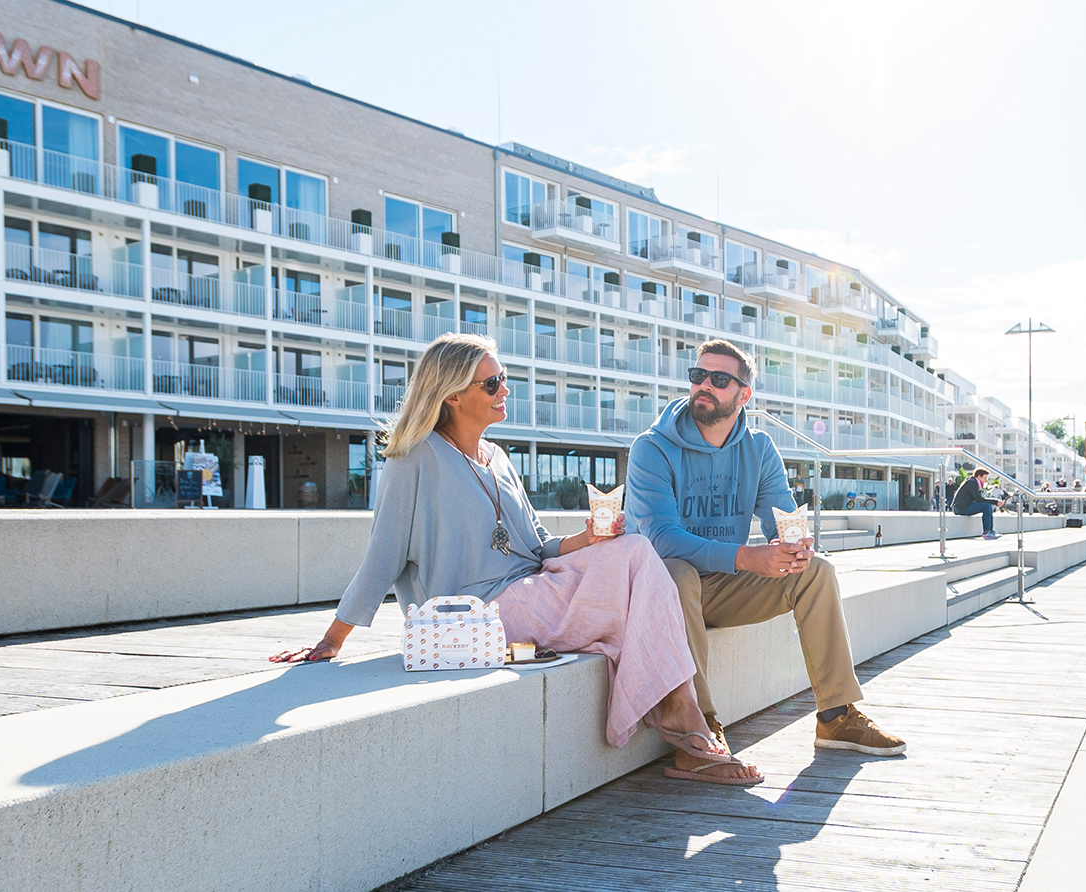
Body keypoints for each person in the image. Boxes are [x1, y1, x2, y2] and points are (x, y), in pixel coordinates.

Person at [272, 334, 760, 785]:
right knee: (637, 562)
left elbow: (539, 545)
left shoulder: (497, 456)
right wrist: (333, 639)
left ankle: (682, 718)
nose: (504, 389)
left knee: (631, 546)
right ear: (452, 395)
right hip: (477, 611)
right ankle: (684, 722)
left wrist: (586, 540)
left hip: (530, 587)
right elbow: (382, 554)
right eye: (492, 382)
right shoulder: (414, 459)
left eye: (504, 379)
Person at [627, 339, 907, 756]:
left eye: (719, 379)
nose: (704, 385)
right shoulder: (651, 448)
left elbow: (783, 519)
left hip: (719, 589)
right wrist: (746, 557)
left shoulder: (758, 449)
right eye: (697, 375)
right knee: (676, 569)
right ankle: (700, 725)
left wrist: (793, 546)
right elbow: (662, 538)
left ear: (744, 395)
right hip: (660, 593)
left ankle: (836, 717)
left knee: (817, 572)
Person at [951, 468, 1004, 539]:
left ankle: (990, 531)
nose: (986, 480)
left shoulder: (975, 483)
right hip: (959, 508)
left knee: (987, 506)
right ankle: (987, 531)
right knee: (986, 506)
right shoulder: (972, 482)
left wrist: (995, 502)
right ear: (979, 476)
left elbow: (979, 499)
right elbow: (979, 499)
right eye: (985, 477)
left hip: (964, 506)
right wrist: (995, 501)